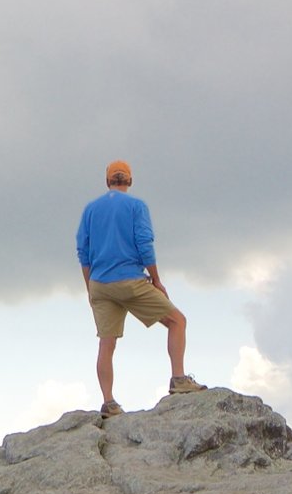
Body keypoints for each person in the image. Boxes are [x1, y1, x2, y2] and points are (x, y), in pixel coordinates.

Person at [76, 159, 201, 418]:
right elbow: (144, 243)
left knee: (106, 343)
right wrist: (156, 279)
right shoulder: (136, 206)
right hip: (130, 280)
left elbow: (83, 252)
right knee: (177, 321)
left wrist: (91, 289)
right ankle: (178, 378)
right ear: (129, 181)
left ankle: (109, 403)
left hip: (100, 284)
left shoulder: (90, 209)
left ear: (107, 181)